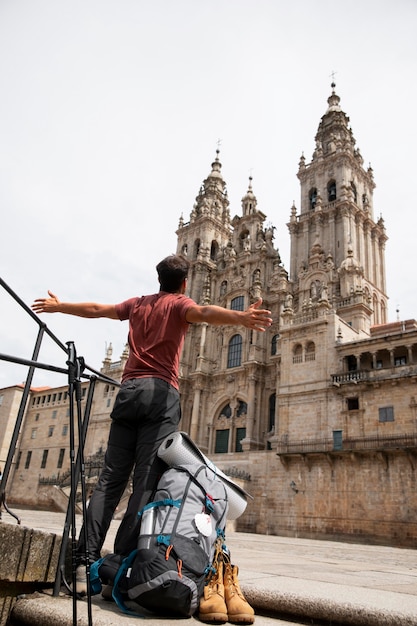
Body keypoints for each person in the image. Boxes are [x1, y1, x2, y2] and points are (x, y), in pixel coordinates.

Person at [32, 254, 272, 594]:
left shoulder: (138, 304)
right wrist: (243, 318)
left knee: (109, 481)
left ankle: (83, 562)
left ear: (158, 279)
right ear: (185, 283)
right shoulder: (179, 305)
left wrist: (60, 307)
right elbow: (204, 313)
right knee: (145, 482)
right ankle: (117, 564)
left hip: (128, 392)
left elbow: (98, 308)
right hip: (161, 395)